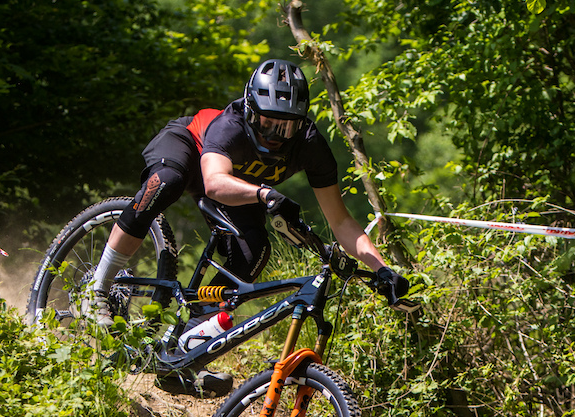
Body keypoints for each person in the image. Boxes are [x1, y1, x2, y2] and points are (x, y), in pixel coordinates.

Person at [84, 59, 409, 385]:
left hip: (240, 186)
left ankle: (181, 355)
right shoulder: (231, 125)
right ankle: (97, 289)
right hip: (192, 148)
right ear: (250, 111)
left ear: (301, 123)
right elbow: (213, 183)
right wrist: (266, 194)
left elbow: (340, 221)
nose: (276, 137)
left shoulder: (310, 145)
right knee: (165, 181)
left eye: (286, 127)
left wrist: (382, 269)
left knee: (253, 250)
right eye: (267, 123)